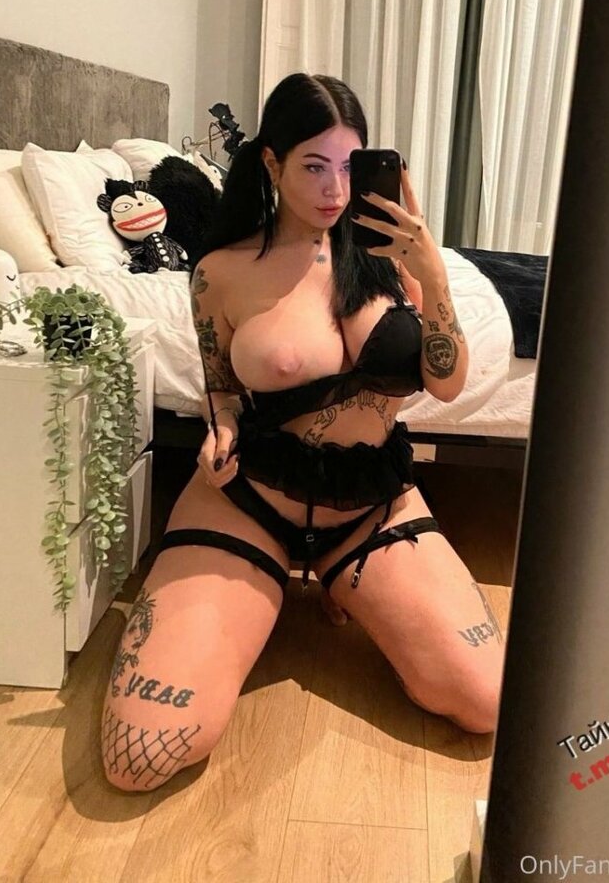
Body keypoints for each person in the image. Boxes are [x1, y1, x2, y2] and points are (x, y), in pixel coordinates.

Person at [101, 73, 504, 793]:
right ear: (271, 162)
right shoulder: (220, 273)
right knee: (142, 754)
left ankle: (342, 585)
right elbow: (221, 386)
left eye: (349, 167)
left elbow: (445, 383)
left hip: (371, 504)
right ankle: (262, 590)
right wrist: (221, 425)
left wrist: (432, 274)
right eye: (314, 166)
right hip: (248, 501)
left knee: (488, 702)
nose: (335, 190)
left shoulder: (392, 260)